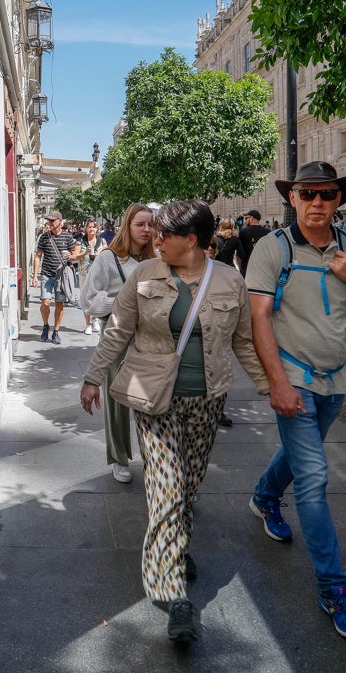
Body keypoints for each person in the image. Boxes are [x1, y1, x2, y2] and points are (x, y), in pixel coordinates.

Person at [80, 201, 265, 644]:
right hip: (152, 397)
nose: (155, 241)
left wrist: (268, 386)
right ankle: (174, 594)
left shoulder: (229, 280)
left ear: (194, 240)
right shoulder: (145, 276)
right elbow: (118, 331)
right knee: (165, 489)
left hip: (207, 399)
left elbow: (242, 341)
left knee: (189, 485)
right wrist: (91, 378)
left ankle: (175, 547)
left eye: (165, 235)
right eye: (154, 233)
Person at [246, 161, 346, 643]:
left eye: (327, 194)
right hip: (294, 376)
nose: (317, 203)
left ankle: (264, 496)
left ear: (339, 199)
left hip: (336, 377)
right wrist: (278, 383)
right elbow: (259, 319)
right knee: (313, 475)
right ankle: (334, 588)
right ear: (294, 199)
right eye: (308, 194)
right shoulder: (271, 248)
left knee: (298, 455)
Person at [78, 203, 156, 484]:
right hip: (116, 332)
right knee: (116, 399)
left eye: (150, 224)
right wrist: (126, 303)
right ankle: (119, 458)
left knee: (149, 396)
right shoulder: (108, 259)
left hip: (149, 335)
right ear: (127, 226)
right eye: (140, 224)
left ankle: (154, 457)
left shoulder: (156, 260)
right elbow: (87, 301)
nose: (147, 229)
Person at [31, 210, 80, 344]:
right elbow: (38, 256)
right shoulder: (44, 237)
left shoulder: (68, 237)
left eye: (52, 220)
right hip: (46, 274)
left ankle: (56, 332)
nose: (50, 223)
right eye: (49, 220)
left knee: (59, 304)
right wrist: (35, 276)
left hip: (61, 276)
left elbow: (74, 255)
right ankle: (46, 325)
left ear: (60, 221)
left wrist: (72, 256)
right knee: (45, 303)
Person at [73, 219, 107, 334]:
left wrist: (100, 255)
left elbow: (108, 255)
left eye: (94, 227)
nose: (92, 229)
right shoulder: (80, 241)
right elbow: (75, 256)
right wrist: (84, 253)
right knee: (86, 299)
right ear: (86, 228)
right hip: (84, 274)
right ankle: (88, 324)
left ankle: (95, 319)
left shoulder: (102, 241)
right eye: (89, 227)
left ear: (97, 228)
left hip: (98, 274)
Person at [237, 209, 271, 277]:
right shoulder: (268, 232)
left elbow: (240, 253)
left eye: (246, 218)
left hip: (247, 268)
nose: (245, 220)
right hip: (263, 268)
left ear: (251, 218)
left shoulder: (243, 232)